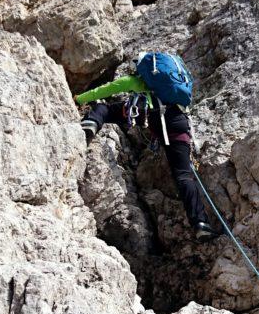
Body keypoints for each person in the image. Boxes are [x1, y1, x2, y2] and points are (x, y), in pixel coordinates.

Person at [74, 56, 220, 242]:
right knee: (183, 175)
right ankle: (201, 224)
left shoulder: (137, 81)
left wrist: (81, 98)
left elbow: (108, 89)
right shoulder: (174, 87)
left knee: (106, 109)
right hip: (178, 122)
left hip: (150, 115)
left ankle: (91, 124)